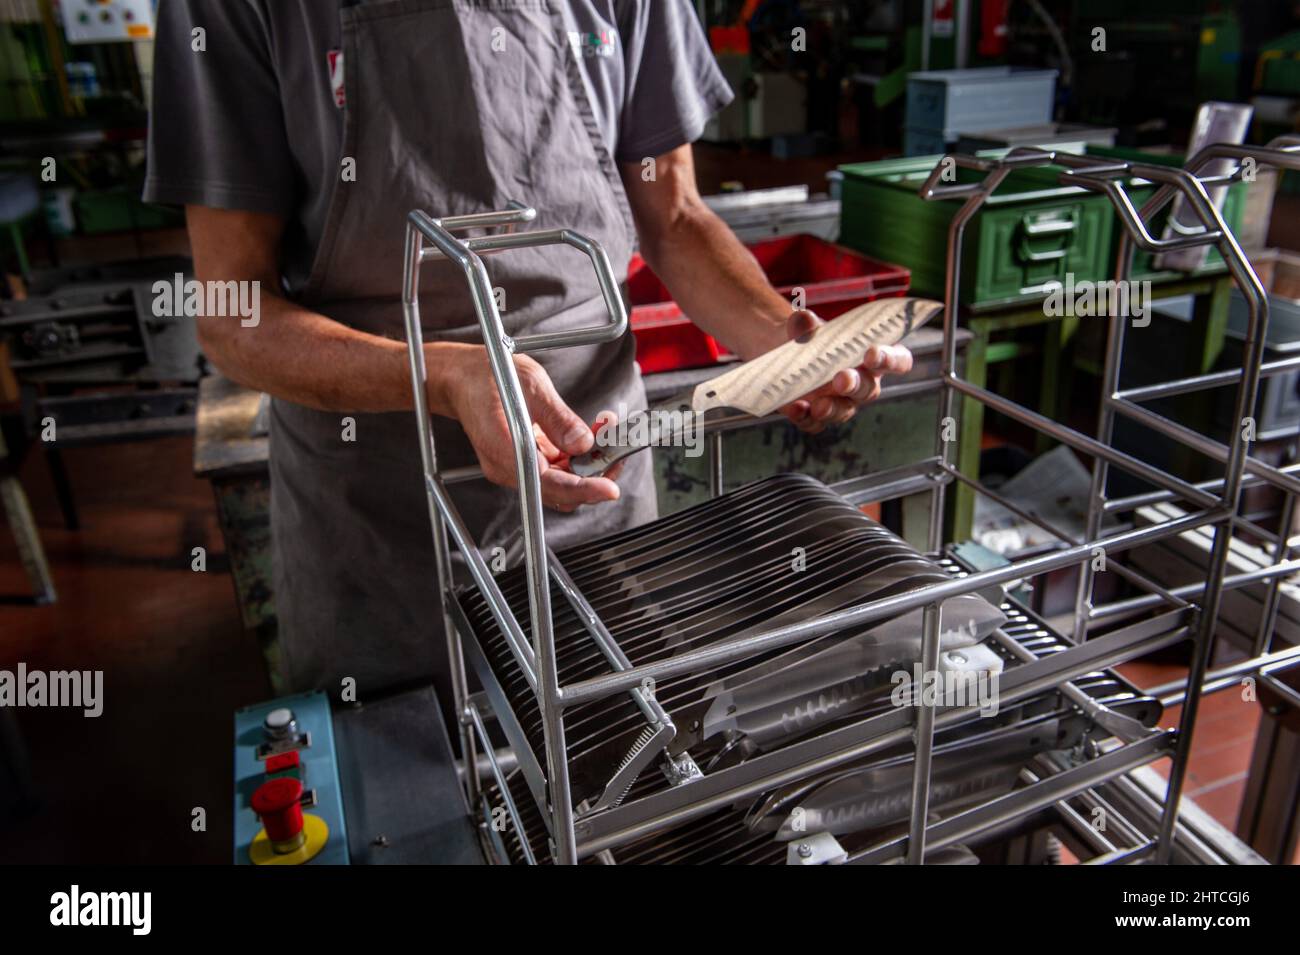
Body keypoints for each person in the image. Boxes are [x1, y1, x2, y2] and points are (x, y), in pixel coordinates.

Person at [144, 0, 912, 705]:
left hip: (598, 468)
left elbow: (674, 216)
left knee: (620, 748)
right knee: (419, 804)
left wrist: (782, 340)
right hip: (381, 513)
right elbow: (229, 311)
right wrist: (446, 374)